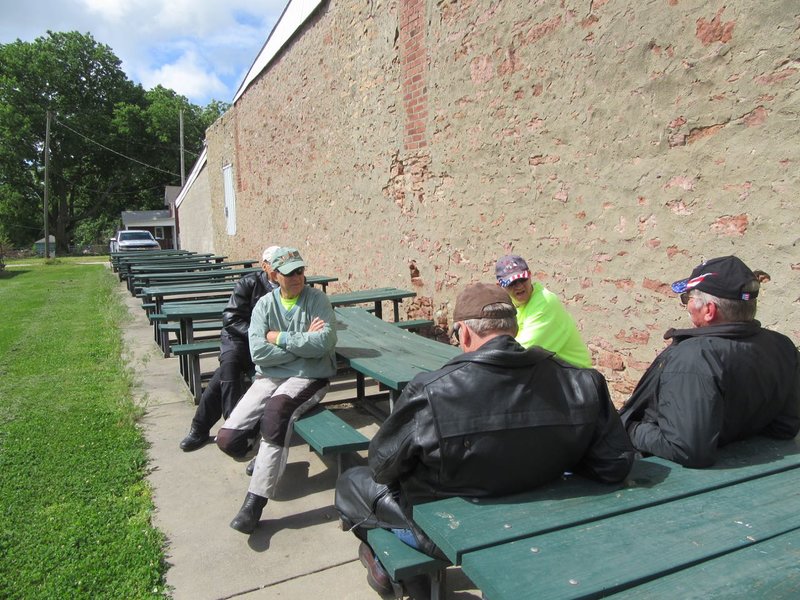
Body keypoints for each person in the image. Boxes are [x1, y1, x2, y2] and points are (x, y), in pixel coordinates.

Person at [335, 283, 634, 598]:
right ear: (513, 329)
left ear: (463, 333)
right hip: (541, 519)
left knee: (351, 482)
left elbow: (382, 466)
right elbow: (614, 464)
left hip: (448, 532)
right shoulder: (583, 382)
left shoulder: (430, 391)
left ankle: (391, 567)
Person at [619, 255, 800, 468]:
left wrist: (630, 426)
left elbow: (687, 449)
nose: (686, 306)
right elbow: (786, 427)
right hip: (746, 471)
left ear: (709, 310)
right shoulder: (783, 345)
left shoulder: (693, 359)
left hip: (674, 482)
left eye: (687, 299)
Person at [217, 247, 337, 534]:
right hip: (270, 375)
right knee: (228, 439)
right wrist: (302, 343)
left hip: (310, 375)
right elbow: (258, 352)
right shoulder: (264, 305)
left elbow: (325, 342)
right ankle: (265, 456)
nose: (297, 277)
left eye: (300, 271)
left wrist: (278, 337)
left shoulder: (318, 300)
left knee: (276, 413)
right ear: (275, 275)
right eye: (290, 272)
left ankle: (254, 502)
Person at [179, 246, 280, 451]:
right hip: (238, 339)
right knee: (230, 367)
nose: (281, 271)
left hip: (267, 345)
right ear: (264, 265)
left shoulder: (290, 285)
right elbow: (231, 319)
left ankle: (201, 429)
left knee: (220, 378)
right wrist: (258, 335)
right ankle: (235, 429)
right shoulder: (249, 283)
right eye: (275, 265)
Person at [494, 254, 591, 367]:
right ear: (500, 286)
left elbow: (518, 353)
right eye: (512, 283)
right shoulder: (511, 304)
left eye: (522, 279)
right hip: (551, 373)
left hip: (575, 378)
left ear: (529, 275)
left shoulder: (544, 302)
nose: (519, 286)